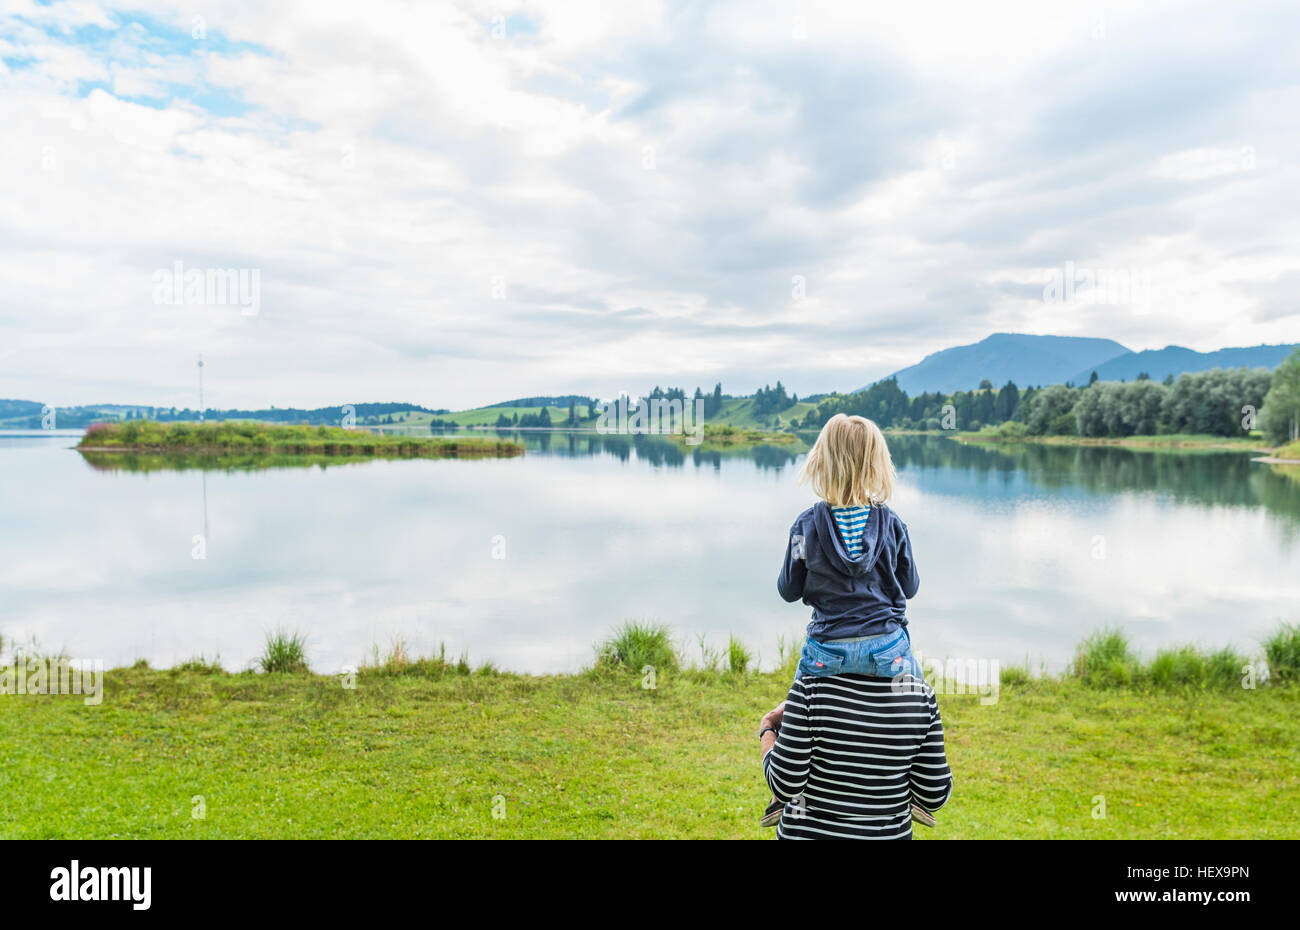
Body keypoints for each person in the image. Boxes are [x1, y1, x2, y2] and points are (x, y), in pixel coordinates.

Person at [761, 413, 925, 826]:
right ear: (876, 463)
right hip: (888, 650)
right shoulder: (892, 524)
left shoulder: (804, 527)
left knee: (797, 711)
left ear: (822, 460)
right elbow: (910, 587)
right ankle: (915, 790)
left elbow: (788, 590)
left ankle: (785, 793)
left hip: (826, 653)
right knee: (920, 701)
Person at [758, 673, 952, 839]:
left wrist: (767, 728)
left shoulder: (809, 687)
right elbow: (934, 795)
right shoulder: (920, 694)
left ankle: (776, 803)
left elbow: (784, 786)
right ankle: (910, 799)